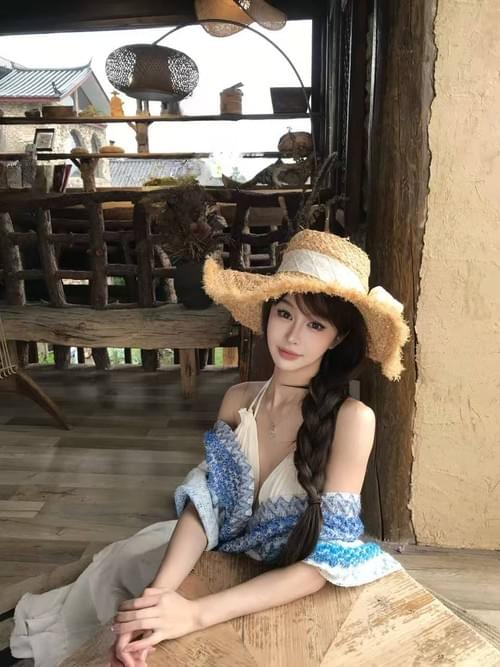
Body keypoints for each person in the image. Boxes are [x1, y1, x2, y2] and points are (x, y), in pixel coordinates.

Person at [10, 230, 410, 667]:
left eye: (316, 325)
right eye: (284, 313)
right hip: (220, 556)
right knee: (115, 577)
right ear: (268, 313)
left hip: (288, 588)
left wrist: (193, 614)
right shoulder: (238, 400)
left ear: (336, 338)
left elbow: (325, 560)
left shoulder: (353, 420)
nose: (293, 336)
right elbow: (205, 504)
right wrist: (159, 597)